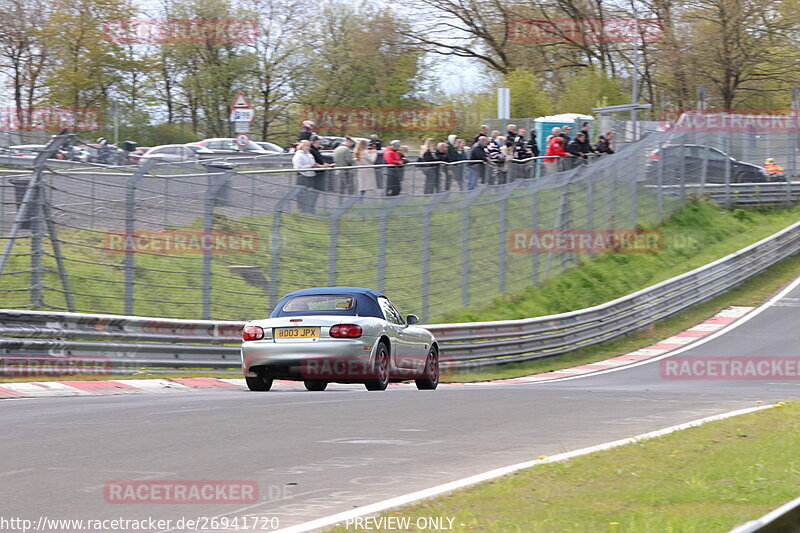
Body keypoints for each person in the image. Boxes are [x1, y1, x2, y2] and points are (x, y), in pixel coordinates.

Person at [293, 140, 324, 212]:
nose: (308, 147)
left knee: (311, 194)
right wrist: (310, 166)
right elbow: (297, 167)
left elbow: (313, 164)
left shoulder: (309, 155)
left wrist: (320, 166)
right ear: (301, 146)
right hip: (303, 176)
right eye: (306, 145)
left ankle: (309, 209)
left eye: (309, 146)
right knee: (303, 194)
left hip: (311, 176)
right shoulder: (298, 155)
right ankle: (302, 210)